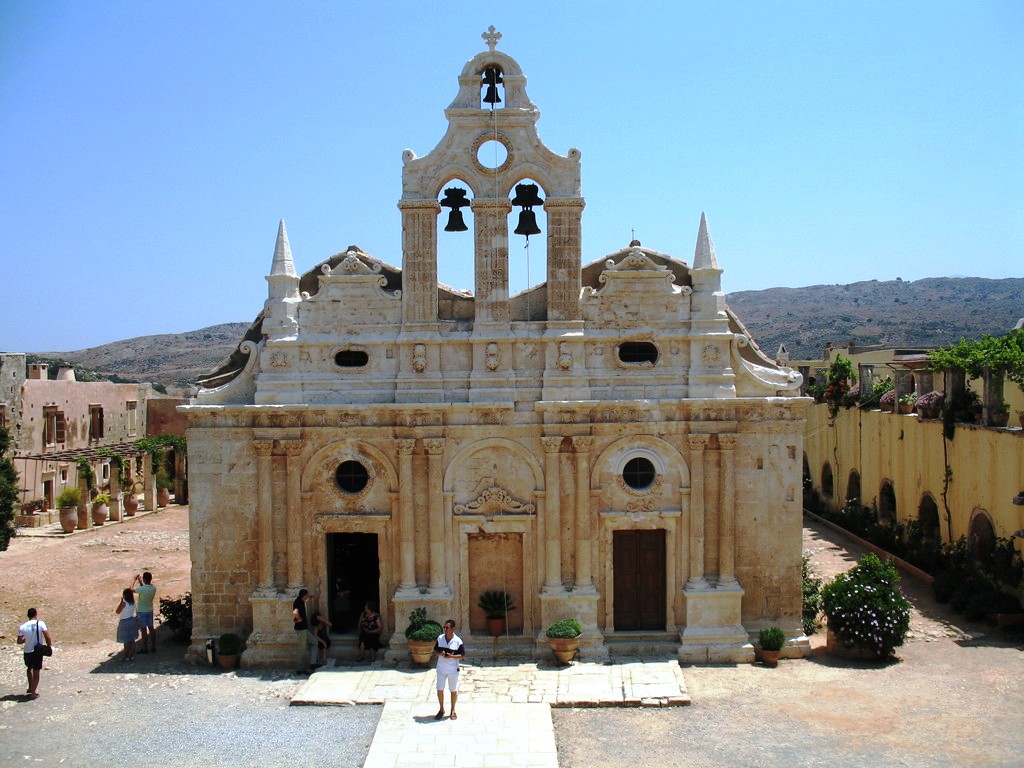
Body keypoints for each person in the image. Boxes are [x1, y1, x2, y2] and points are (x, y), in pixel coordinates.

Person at [434, 619, 465, 720]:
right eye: (444, 627)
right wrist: (441, 653)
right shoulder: (440, 638)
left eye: (447, 628)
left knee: (453, 690)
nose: (445, 629)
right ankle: (441, 709)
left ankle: (453, 710)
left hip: (452, 669)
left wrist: (451, 656)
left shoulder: (458, 641)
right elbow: (436, 649)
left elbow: (462, 655)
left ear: (452, 629)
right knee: (440, 689)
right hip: (441, 668)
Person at [17, 607, 52, 699]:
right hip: (37, 651)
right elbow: (46, 635)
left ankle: (30, 687)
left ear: (28, 615)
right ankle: (33, 693)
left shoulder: (23, 627)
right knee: (36, 671)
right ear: (36, 614)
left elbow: (19, 641)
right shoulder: (40, 623)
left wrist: (27, 639)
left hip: (27, 651)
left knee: (29, 668)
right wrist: (49, 646)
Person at [292, 588, 318, 674]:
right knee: (302, 649)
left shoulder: (301, 600)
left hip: (304, 629)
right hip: (301, 629)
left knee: (314, 642)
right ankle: (300, 669)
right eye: (307, 595)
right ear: (304, 596)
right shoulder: (298, 602)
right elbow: (295, 612)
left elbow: (307, 598)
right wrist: (299, 618)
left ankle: (313, 663)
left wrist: (311, 597)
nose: (307, 597)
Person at [133, 571, 157, 654]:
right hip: (149, 610)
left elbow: (131, 590)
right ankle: (153, 646)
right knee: (151, 628)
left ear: (144, 579)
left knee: (143, 630)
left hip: (141, 611)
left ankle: (145, 647)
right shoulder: (153, 588)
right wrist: (140, 582)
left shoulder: (142, 589)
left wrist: (134, 580)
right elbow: (143, 589)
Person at [116, 587, 139, 661]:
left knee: (126, 641)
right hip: (132, 620)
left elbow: (117, 611)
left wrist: (120, 603)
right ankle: (132, 655)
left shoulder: (124, 603)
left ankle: (126, 656)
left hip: (124, 622)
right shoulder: (133, 603)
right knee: (132, 640)